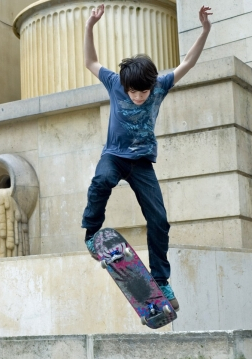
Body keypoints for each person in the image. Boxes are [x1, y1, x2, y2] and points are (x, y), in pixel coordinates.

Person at [82, 4, 213, 311]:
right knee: (101, 180)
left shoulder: (160, 87)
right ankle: (92, 234)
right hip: (114, 155)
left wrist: (205, 30)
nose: (139, 97)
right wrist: (89, 26)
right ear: (125, 87)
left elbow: (188, 63)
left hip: (142, 163)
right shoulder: (115, 83)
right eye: (133, 93)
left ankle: (162, 281)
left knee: (159, 219)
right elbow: (90, 61)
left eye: (143, 93)